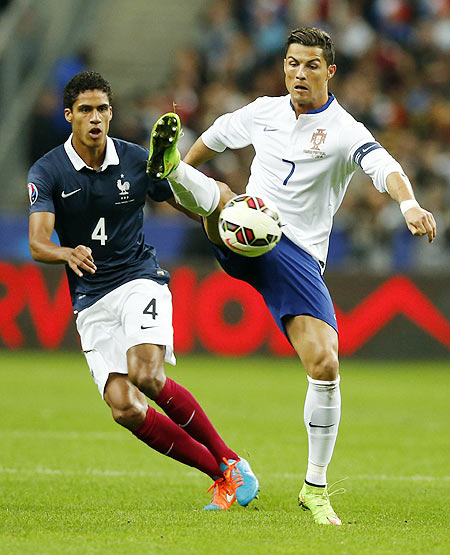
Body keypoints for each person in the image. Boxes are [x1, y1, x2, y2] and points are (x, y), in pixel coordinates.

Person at [146, 27, 437, 525]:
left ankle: (314, 488)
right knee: (225, 202)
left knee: (325, 363)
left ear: (330, 71)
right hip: (245, 226)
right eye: (291, 63)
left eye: (309, 65)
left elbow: (385, 167)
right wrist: (178, 177)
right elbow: (212, 139)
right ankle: (169, 175)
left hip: (297, 254)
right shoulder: (263, 111)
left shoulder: (346, 130)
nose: (298, 73)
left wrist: (408, 202)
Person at [27, 70, 259, 511]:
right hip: (90, 299)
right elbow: (39, 241)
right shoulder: (48, 170)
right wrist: (66, 253)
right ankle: (224, 475)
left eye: (102, 109)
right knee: (124, 408)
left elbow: (185, 200)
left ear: (111, 113)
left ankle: (229, 461)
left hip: (138, 278)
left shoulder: (136, 159)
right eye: (85, 111)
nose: (95, 118)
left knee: (147, 375)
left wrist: (224, 215)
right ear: (69, 116)